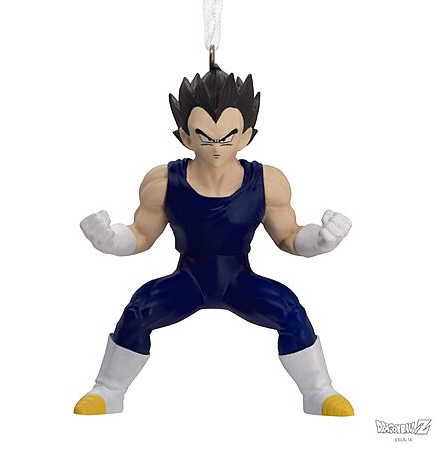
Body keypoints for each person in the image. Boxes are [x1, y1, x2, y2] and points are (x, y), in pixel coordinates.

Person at [74, 67, 354, 416]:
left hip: (240, 280)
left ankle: (319, 392)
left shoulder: (268, 182)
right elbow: (141, 234)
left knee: (290, 311)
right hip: (188, 280)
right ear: (185, 136)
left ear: (246, 135)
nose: (217, 147)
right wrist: (110, 240)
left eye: (227, 137)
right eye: (205, 137)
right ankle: (108, 390)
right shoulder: (163, 181)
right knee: (138, 311)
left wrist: (322, 241)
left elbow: (290, 236)